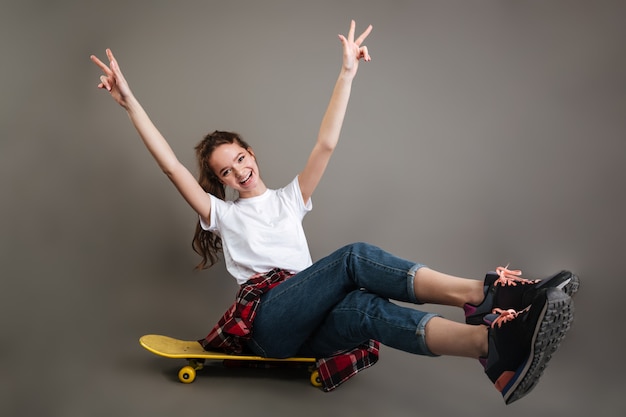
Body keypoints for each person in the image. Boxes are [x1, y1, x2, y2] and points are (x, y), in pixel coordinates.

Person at [90, 20, 578, 405]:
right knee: (353, 259)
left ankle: (493, 354)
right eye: (226, 171)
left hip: (313, 317)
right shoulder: (223, 215)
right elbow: (174, 167)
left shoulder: (288, 199)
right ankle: (484, 293)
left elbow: (326, 143)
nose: (238, 171)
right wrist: (129, 102)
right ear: (220, 183)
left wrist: (346, 73)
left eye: (241, 158)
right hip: (270, 323)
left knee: (371, 311)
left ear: (252, 154)